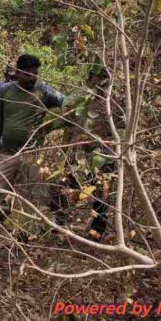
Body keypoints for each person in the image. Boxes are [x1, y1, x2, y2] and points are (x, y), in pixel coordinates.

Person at [0, 54, 64, 244]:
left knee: (32, 196)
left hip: (32, 154)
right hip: (7, 152)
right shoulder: (5, 91)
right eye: (28, 74)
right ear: (18, 72)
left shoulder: (44, 91)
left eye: (35, 73)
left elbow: (66, 102)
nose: (32, 77)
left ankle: (24, 237)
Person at [49, 65, 118, 238]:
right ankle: (59, 223)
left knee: (102, 195)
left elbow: (122, 132)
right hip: (79, 155)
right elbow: (64, 120)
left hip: (104, 156)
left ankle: (97, 232)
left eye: (104, 78)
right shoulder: (79, 102)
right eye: (97, 78)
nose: (100, 82)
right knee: (60, 186)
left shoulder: (114, 105)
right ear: (89, 79)